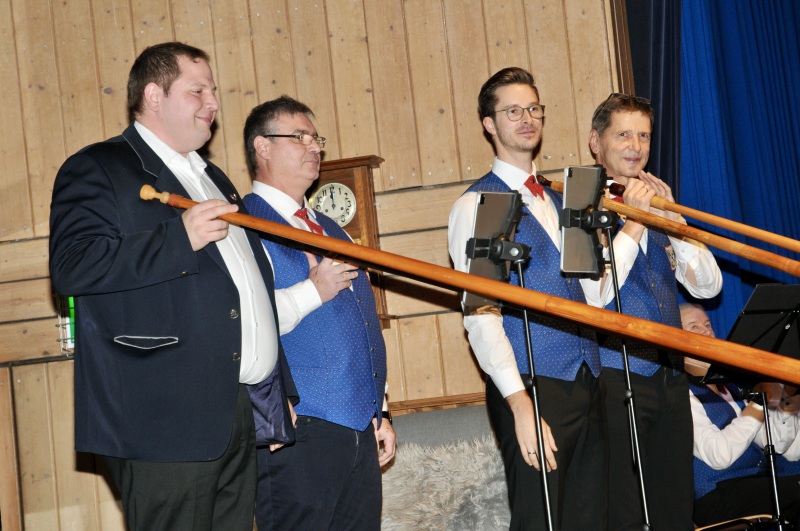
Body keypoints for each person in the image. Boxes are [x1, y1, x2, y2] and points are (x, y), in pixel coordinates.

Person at [48, 42, 296, 531]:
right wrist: (178, 238)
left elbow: (250, 290)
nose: (213, 103)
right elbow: (73, 267)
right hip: (161, 416)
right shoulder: (99, 167)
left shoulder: (214, 177)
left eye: (214, 91)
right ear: (154, 96)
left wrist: (276, 387)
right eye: (197, 90)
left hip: (238, 407)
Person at [447, 67, 607, 530]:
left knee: (590, 521)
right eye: (513, 111)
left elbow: (592, 295)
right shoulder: (478, 205)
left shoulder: (565, 199)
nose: (527, 119)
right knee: (540, 520)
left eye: (533, 108)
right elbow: (481, 316)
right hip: (531, 385)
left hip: (589, 378)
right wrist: (519, 404)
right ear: (489, 124)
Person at [242, 95, 395, 530]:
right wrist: (313, 290)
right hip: (297, 429)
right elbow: (244, 322)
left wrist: (381, 410)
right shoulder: (242, 226)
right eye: (299, 137)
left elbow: (361, 323)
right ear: (262, 146)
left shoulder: (331, 229)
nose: (314, 147)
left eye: (316, 138)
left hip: (359, 426)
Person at [586, 93, 723, 530]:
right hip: (614, 378)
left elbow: (709, 286)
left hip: (671, 378)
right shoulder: (580, 206)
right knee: (624, 512)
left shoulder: (660, 204)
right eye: (623, 135)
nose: (636, 146)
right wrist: (636, 221)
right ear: (596, 142)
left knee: (675, 508)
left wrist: (674, 224)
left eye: (643, 136)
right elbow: (597, 294)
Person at [681, 303, 800, 526]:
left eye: (708, 325)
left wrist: (787, 398)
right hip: (717, 495)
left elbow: (776, 444)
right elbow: (719, 456)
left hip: (754, 483)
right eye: (694, 326)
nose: (706, 331)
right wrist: (759, 402)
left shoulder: (731, 387)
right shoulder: (682, 394)